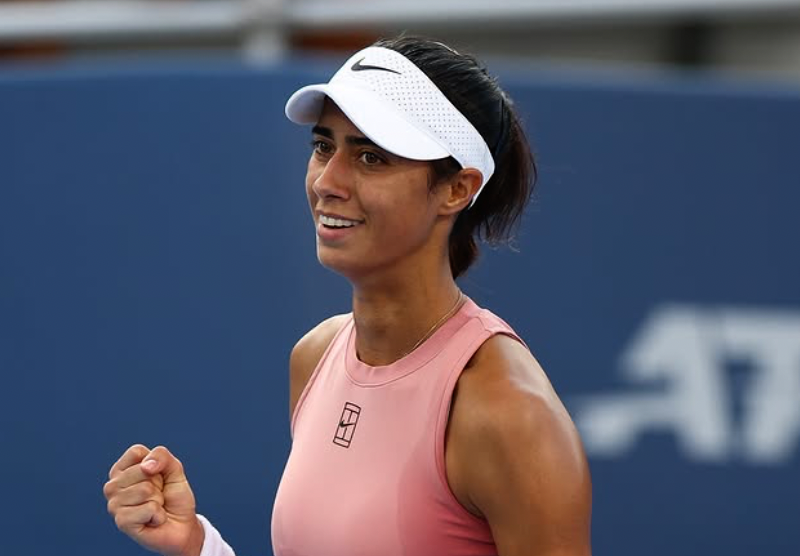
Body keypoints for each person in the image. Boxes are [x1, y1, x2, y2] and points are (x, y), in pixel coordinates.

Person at [103, 35, 592, 556]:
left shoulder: (509, 413)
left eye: (370, 157)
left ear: (457, 189)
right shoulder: (315, 356)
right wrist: (199, 546)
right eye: (323, 147)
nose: (327, 181)